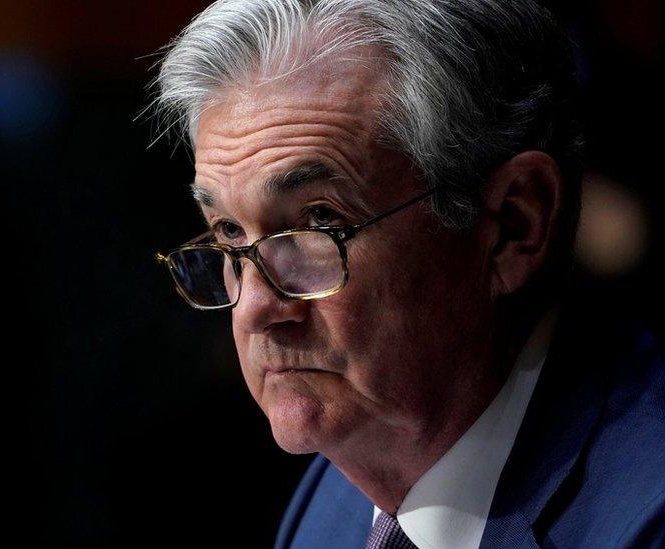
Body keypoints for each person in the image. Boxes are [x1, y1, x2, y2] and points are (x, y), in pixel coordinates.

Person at [150, 1, 665, 547]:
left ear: (512, 226)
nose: (254, 307)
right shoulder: (335, 504)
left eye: (318, 222)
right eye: (229, 233)